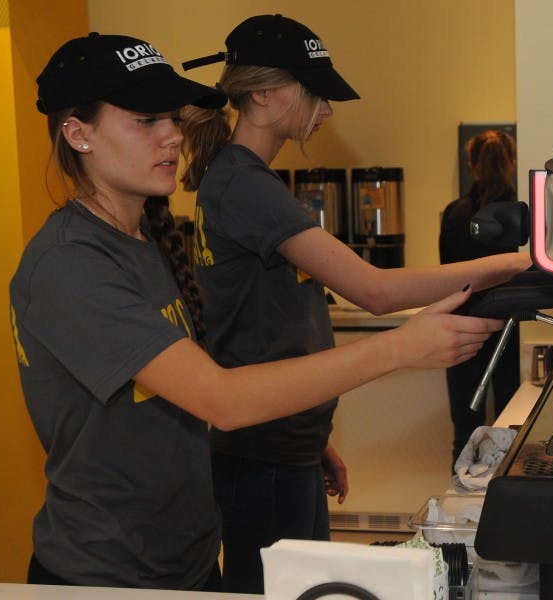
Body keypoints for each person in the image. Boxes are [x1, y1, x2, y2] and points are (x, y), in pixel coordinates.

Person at [10, 31, 512, 591]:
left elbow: (191, 372)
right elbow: (219, 399)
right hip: (107, 575)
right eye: (146, 121)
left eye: (172, 118)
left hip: (187, 560)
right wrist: (399, 346)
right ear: (78, 134)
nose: (173, 135)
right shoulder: (69, 265)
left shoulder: (142, 240)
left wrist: (304, 430)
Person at [179, 14, 531, 594]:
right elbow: (375, 291)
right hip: (263, 451)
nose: (327, 110)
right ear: (264, 93)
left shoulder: (242, 180)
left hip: (284, 442)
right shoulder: (244, 184)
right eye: (315, 93)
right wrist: (511, 263)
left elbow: (269, 323)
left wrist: (314, 434)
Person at [439, 130, 522, 464]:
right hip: (508, 329)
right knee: (509, 427)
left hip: (461, 329)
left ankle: (459, 509)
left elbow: (445, 277)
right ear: (511, 163)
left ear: (472, 165)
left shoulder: (455, 213)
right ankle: (504, 505)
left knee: (465, 434)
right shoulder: (520, 215)